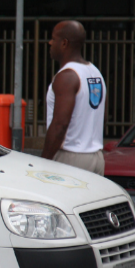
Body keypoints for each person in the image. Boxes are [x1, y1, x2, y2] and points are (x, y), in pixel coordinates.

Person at [41, 20, 107, 175]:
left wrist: (43, 161)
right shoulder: (95, 73)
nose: (50, 42)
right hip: (96, 157)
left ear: (64, 43)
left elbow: (60, 125)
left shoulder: (67, 76)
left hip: (71, 159)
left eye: (53, 38)